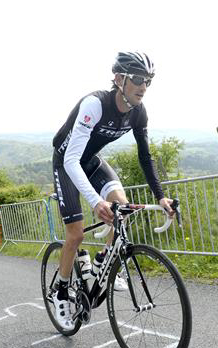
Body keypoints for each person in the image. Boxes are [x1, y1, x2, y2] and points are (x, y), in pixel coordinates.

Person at [51, 51, 175, 329]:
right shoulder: (95, 104)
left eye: (149, 81)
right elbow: (71, 159)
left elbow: (146, 157)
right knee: (75, 233)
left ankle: (102, 262)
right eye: (138, 79)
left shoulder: (139, 111)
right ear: (119, 79)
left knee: (123, 206)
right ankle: (60, 290)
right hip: (66, 162)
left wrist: (160, 196)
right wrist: (95, 202)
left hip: (91, 162)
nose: (144, 86)